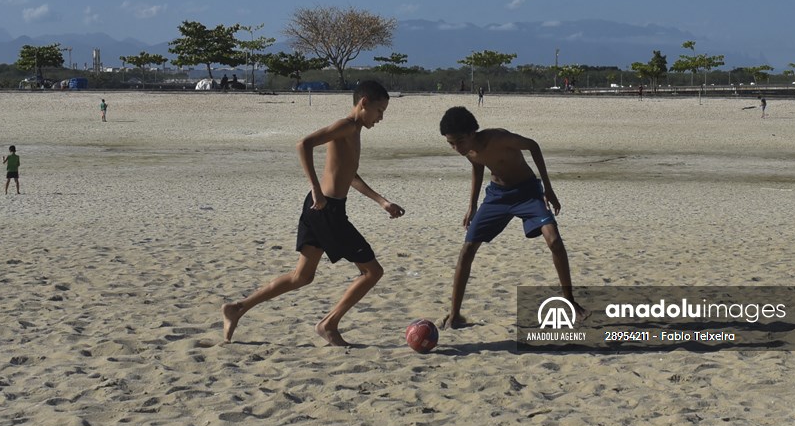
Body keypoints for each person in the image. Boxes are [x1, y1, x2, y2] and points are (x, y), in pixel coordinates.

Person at [220, 81, 405, 346]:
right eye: (379, 110)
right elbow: (303, 144)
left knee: (302, 276)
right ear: (363, 103)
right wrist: (316, 188)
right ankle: (329, 324)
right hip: (326, 209)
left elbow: (349, 175)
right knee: (372, 272)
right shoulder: (347, 126)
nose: (381, 118)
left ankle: (237, 308)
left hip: (321, 209)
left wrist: (381, 201)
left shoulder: (354, 131)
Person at [438, 106, 586, 329]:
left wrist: (548, 187)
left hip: (527, 192)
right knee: (467, 249)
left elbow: (533, 146)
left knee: (554, 240)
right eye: (451, 143)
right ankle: (455, 315)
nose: (456, 148)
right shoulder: (468, 150)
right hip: (497, 196)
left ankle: (570, 301)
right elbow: (478, 168)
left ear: (471, 133)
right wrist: (472, 204)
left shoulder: (499, 137)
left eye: (459, 141)